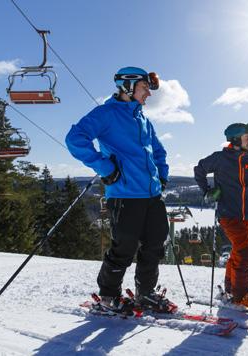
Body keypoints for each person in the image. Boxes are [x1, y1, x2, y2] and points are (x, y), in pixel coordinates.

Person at [66, 67, 171, 312]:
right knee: (124, 247)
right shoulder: (107, 114)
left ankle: (145, 293)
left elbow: (159, 152)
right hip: (124, 195)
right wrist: (104, 167)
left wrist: (161, 177)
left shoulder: (142, 119)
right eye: (145, 87)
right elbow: (75, 138)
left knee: (155, 244)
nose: (149, 94)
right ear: (128, 86)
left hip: (152, 195)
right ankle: (108, 296)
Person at [193, 123, 248, 309]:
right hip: (229, 214)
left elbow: (247, 186)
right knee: (247, 254)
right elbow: (198, 169)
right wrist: (207, 191)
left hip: (247, 215)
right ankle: (241, 296)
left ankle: (231, 289)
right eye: (247, 137)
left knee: (238, 253)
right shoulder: (220, 158)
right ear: (236, 138)